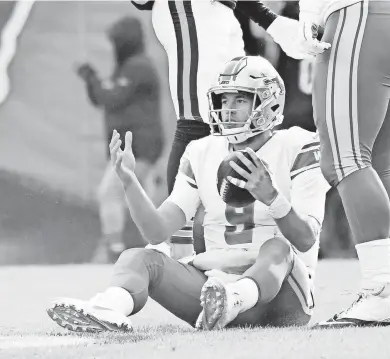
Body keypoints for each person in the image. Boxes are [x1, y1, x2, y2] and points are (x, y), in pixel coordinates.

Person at [46, 56, 330, 332]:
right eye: (223, 100)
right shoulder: (201, 152)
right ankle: (108, 309)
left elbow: (305, 240)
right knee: (142, 257)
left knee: (277, 247)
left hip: (281, 295)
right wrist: (130, 183)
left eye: (240, 100)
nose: (228, 110)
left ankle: (234, 299)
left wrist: (271, 197)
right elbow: (158, 231)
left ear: (268, 102)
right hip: (213, 291)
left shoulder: (298, 146)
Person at [131, 0, 330, 258]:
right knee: (207, 120)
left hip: (216, 15)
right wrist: (271, 21)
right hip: (196, 12)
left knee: (222, 117)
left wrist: (272, 22)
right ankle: (179, 244)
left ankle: (182, 245)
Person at [295, 0, 390, 327]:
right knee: (375, 161)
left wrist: (309, 12)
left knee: (344, 159)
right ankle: (384, 288)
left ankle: (379, 293)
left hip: (356, 15)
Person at [77, 16, 164, 263]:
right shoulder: (130, 67)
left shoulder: (138, 66)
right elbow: (103, 97)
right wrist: (91, 81)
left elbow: (111, 96)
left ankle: (114, 250)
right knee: (145, 196)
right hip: (137, 144)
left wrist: (92, 77)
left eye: (116, 41)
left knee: (109, 192)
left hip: (138, 145)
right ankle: (164, 246)